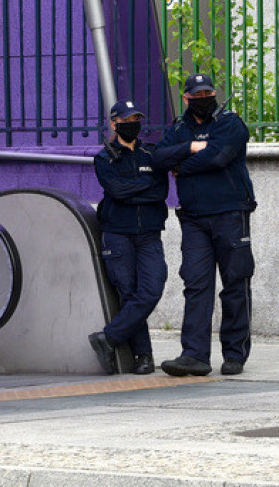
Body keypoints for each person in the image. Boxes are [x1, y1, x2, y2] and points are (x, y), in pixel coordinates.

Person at [152, 73, 256, 377]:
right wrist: (190, 149)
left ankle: (235, 354)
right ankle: (194, 355)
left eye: (207, 93)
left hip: (231, 213)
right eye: (196, 96)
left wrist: (181, 166)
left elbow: (220, 157)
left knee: (235, 282)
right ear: (186, 99)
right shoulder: (179, 128)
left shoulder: (230, 123)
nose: (202, 99)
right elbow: (159, 158)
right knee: (196, 284)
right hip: (194, 218)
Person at [89, 100, 169, 376]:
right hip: (118, 233)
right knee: (129, 293)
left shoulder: (151, 153)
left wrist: (133, 188)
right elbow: (116, 192)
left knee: (152, 287)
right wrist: (143, 186)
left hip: (148, 232)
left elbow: (160, 192)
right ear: (114, 123)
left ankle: (108, 337)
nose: (132, 123)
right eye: (126, 119)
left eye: (136, 118)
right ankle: (143, 356)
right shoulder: (104, 157)